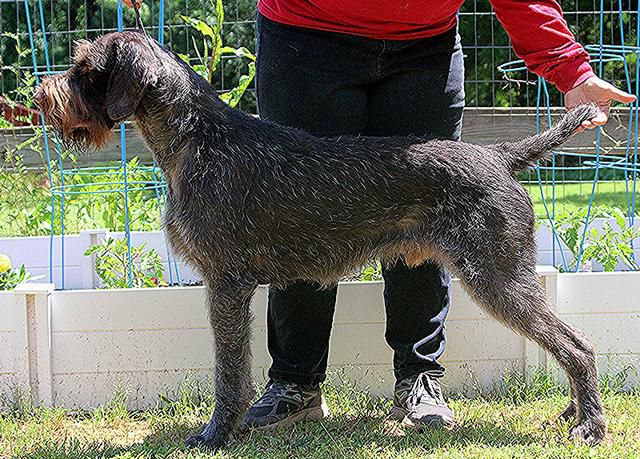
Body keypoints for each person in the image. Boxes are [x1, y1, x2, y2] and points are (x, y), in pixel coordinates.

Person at [126, 0, 635, 430]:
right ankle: (294, 385)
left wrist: (571, 67)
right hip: (305, 36)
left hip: (424, 45)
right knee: (288, 217)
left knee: (500, 292)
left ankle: (422, 379)